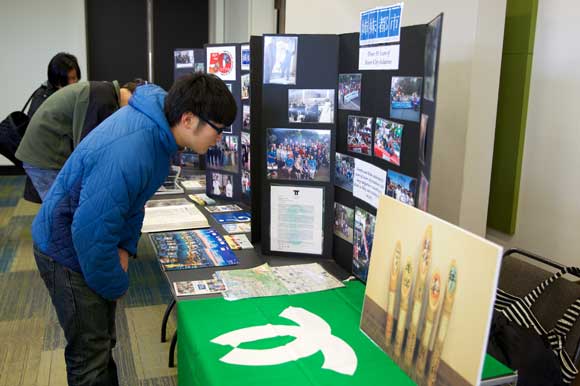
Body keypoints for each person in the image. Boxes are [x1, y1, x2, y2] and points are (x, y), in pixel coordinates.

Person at [31, 73, 236, 386]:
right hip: (64, 250)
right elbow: (90, 234)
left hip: (84, 239)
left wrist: (126, 248)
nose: (219, 139)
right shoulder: (133, 148)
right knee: (89, 357)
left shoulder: (159, 134)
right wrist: (116, 284)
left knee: (101, 343)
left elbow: (133, 202)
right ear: (188, 119)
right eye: (218, 130)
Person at [16, 79, 146, 201]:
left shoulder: (106, 93)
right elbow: (86, 150)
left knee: (65, 210)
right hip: (45, 157)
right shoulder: (103, 101)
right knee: (60, 212)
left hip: (45, 150)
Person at [28, 52, 81, 118]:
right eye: (66, 80)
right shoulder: (42, 101)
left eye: (74, 78)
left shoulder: (75, 94)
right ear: (56, 81)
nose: (72, 83)